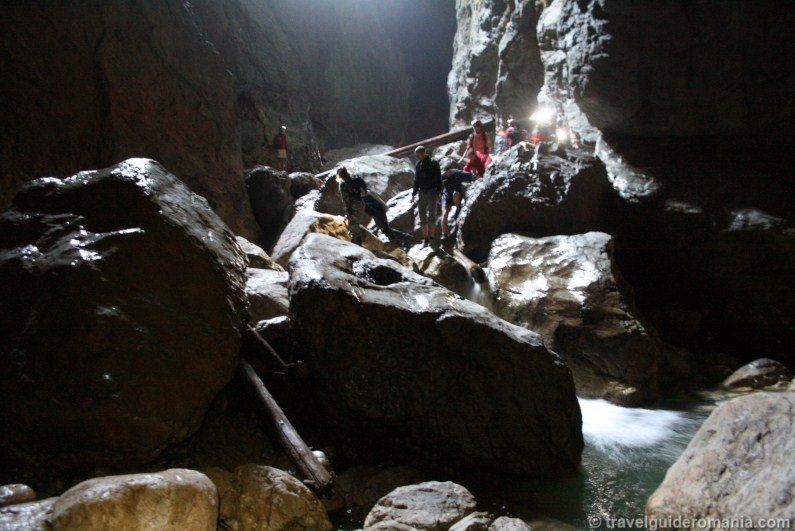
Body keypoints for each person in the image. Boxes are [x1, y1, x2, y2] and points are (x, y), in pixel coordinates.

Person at [411, 145, 442, 247]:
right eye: (416, 155)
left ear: (423, 152)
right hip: (422, 192)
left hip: (432, 191)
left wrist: (439, 191)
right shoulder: (418, 164)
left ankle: (432, 238)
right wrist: (414, 193)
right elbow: (416, 180)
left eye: (418, 154)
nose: (417, 156)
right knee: (422, 215)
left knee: (432, 215)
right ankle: (426, 239)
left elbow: (439, 178)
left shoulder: (434, 163)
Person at [440, 167, 476, 240]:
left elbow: (470, 176)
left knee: (455, 194)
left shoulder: (458, 173)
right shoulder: (441, 177)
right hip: (446, 197)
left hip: (457, 195)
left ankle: (458, 209)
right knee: (444, 213)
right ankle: (444, 233)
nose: (446, 174)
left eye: (447, 172)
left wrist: (474, 175)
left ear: (450, 170)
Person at [336, 166, 365, 245]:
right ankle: (358, 241)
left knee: (353, 225)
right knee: (357, 224)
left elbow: (345, 199)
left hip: (353, 207)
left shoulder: (343, 184)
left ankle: (357, 243)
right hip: (361, 204)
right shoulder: (354, 179)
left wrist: (347, 208)